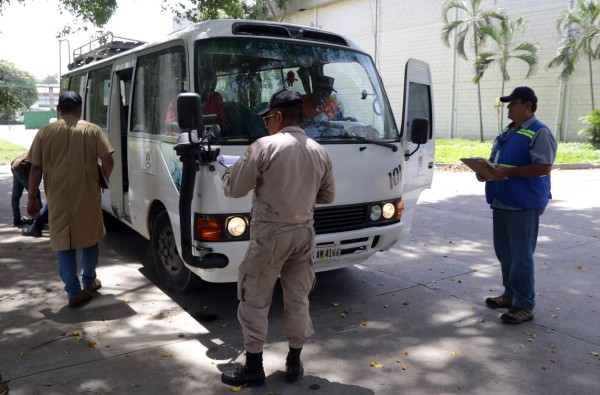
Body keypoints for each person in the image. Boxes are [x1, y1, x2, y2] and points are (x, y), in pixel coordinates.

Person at [221, 89, 335, 387]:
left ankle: (254, 368)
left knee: (255, 299)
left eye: (268, 118)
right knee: (298, 299)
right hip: (304, 234)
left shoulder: (264, 146)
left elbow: (234, 188)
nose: (266, 124)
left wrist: (227, 173)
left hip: (271, 235)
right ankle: (294, 362)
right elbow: (328, 195)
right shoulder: (319, 150)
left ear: (279, 116)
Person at [476, 86, 557, 324]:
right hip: (502, 199)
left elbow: (544, 167)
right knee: (505, 253)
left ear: (527, 106)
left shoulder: (540, 132)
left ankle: (524, 305)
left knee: (521, 256)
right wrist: (486, 171)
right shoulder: (509, 131)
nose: (509, 108)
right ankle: (510, 294)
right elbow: (498, 161)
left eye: (513, 103)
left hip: (523, 202)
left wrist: (506, 171)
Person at [27, 91, 115, 308]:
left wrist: (31, 198)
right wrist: (102, 180)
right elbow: (108, 159)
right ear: (79, 109)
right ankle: (88, 281)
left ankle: (74, 292)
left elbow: (35, 168)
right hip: (86, 193)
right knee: (90, 237)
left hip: (56, 196)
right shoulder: (92, 130)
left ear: (58, 108)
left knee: (63, 242)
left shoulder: (44, 132)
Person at [10, 151, 38, 227]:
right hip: (21, 168)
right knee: (35, 192)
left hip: (15, 165)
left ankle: (17, 219)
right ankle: (38, 221)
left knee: (16, 193)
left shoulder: (39, 145)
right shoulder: (45, 150)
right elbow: (38, 170)